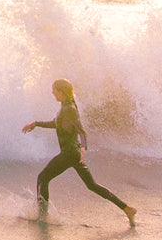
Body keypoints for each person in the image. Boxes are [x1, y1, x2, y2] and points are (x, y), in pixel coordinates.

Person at [23, 78, 134, 226]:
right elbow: (56, 124)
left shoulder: (70, 109)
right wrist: (36, 124)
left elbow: (81, 131)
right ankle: (127, 208)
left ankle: (42, 215)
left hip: (70, 153)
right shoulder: (65, 106)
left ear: (61, 92)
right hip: (72, 154)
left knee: (43, 178)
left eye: (54, 90)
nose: (52, 93)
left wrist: (84, 149)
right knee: (92, 185)